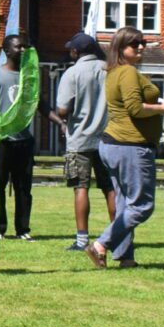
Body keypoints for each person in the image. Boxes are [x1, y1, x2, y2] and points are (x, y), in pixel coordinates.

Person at [88, 27, 164, 269]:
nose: (141, 47)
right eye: (134, 44)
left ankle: (125, 257)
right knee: (142, 206)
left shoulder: (115, 72)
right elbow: (135, 109)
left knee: (125, 204)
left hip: (115, 145)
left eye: (142, 42)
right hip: (130, 147)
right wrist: (163, 108)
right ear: (120, 48)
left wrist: (162, 106)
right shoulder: (127, 72)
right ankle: (100, 245)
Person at [47, 32, 115, 251]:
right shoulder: (110, 69)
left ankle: (82, 240)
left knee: (81, 187)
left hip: (80, 138)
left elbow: (62, 109)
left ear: (76, 52)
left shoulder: (72, 73)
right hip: (109, 137)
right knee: (110, 188)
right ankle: (118, 237)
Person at [0, 33, 34, 240]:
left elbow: (39, 102)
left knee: (23, 188)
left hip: (24, 140)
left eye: (25, 47)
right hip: (2, 141)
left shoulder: (29, 76)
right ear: (7, 50)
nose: (23, 50)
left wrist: (60, 122)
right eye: (19, 47)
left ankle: (23, 229)